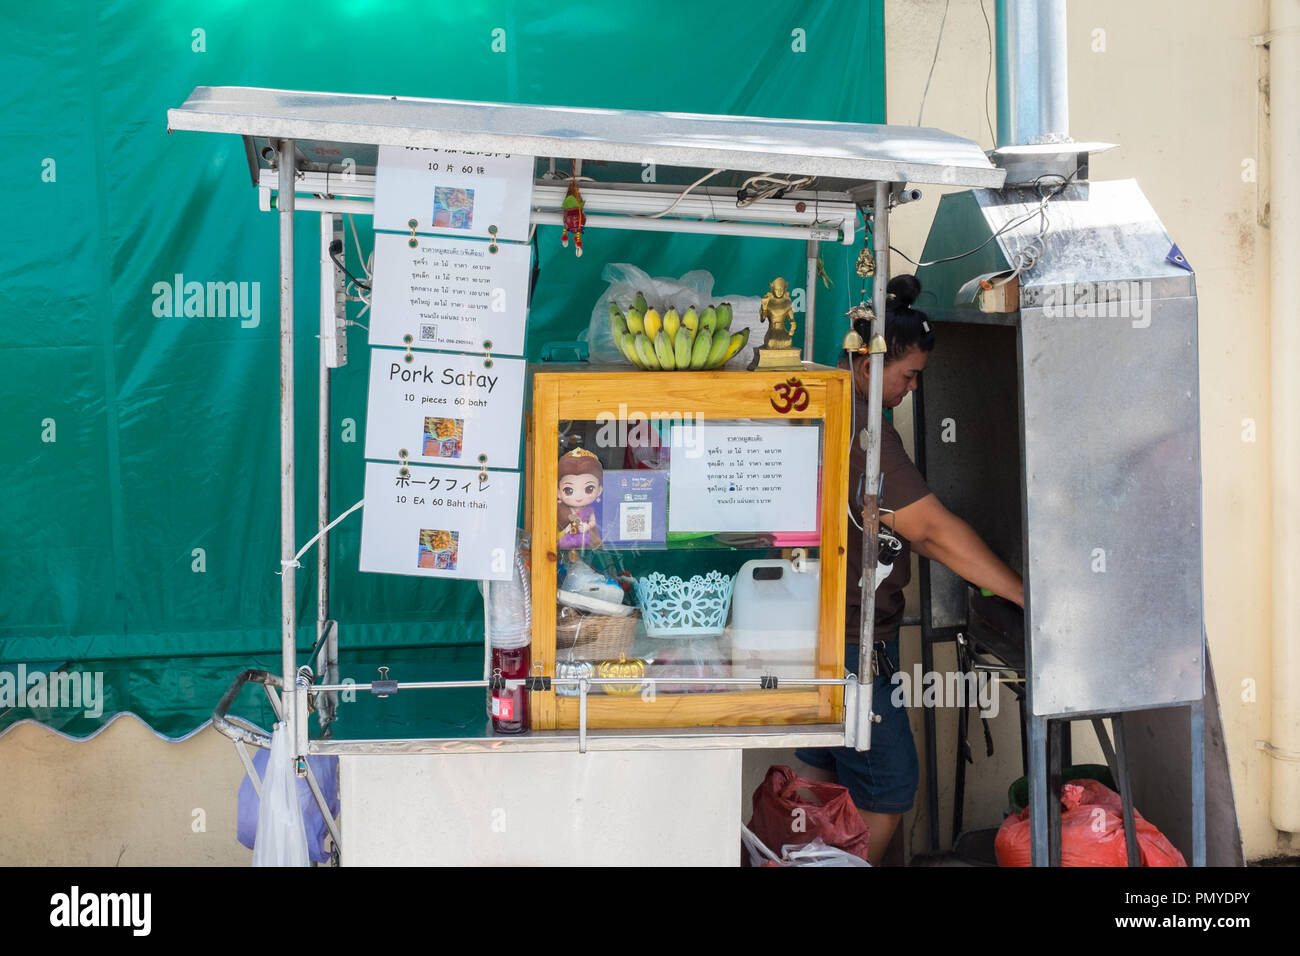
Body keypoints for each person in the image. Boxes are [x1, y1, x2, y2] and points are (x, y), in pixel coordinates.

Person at [794, 274, 1024, 866]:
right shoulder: (865, 431)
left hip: (819, 634)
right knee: (889, 783)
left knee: (828, 786)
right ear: (869, 366)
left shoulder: (831, 401)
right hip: (850, 642)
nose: (914, 389)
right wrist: (1022, 593)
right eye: (908, 375)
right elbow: (930, 530)